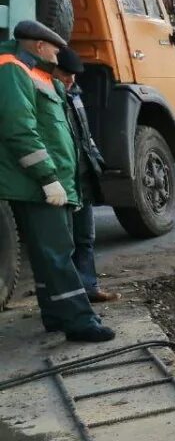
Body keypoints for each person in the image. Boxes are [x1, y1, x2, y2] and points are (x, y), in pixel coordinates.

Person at [0, 21, 112, 342]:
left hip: (47, 183)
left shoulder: (33, 72)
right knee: (58, 255)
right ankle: (80, 322)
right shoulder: (13, 71)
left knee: (48, 256)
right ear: (38, 46)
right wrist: (48, 178)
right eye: (54, 48)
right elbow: (20, 130)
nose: (58, 53)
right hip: (36, 185)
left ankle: (55, 315)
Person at [53, 46, 119, 303]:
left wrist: (97, 162)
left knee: (85, 237)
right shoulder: (48, 97)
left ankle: (89, 288)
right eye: (65, 75)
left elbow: (84, 134)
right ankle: (72, 296)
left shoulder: (75, 95)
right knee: (65, 242)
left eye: (73, 76)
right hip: (64, 181)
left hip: (82, 179)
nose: (70, 81)